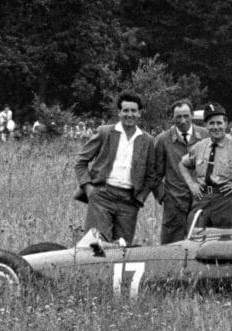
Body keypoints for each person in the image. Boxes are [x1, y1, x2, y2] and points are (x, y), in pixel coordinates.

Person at [74, 91, 158, 244]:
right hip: (102, 196)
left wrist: (140, 198)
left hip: (129, 201)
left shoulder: (148, 140)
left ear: (140, 113)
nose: (129, 114)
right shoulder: (105, 132)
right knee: (94, 245)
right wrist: (88, 188)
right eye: (125, 110)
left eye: (133, 111)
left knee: (122, 248)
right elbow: (81, 161)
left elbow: (152, 175)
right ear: (119, 112)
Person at [153, 99, 209, 244]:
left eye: (186, 116)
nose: (183, 120)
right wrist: (163, 196)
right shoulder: (162, 140)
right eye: (178, 117)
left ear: (192, 115)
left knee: (200, 245)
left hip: (201, 202)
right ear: (173, 118)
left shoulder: (206, 136)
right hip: (174, 203)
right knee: (170, 248)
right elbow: (154, 174)